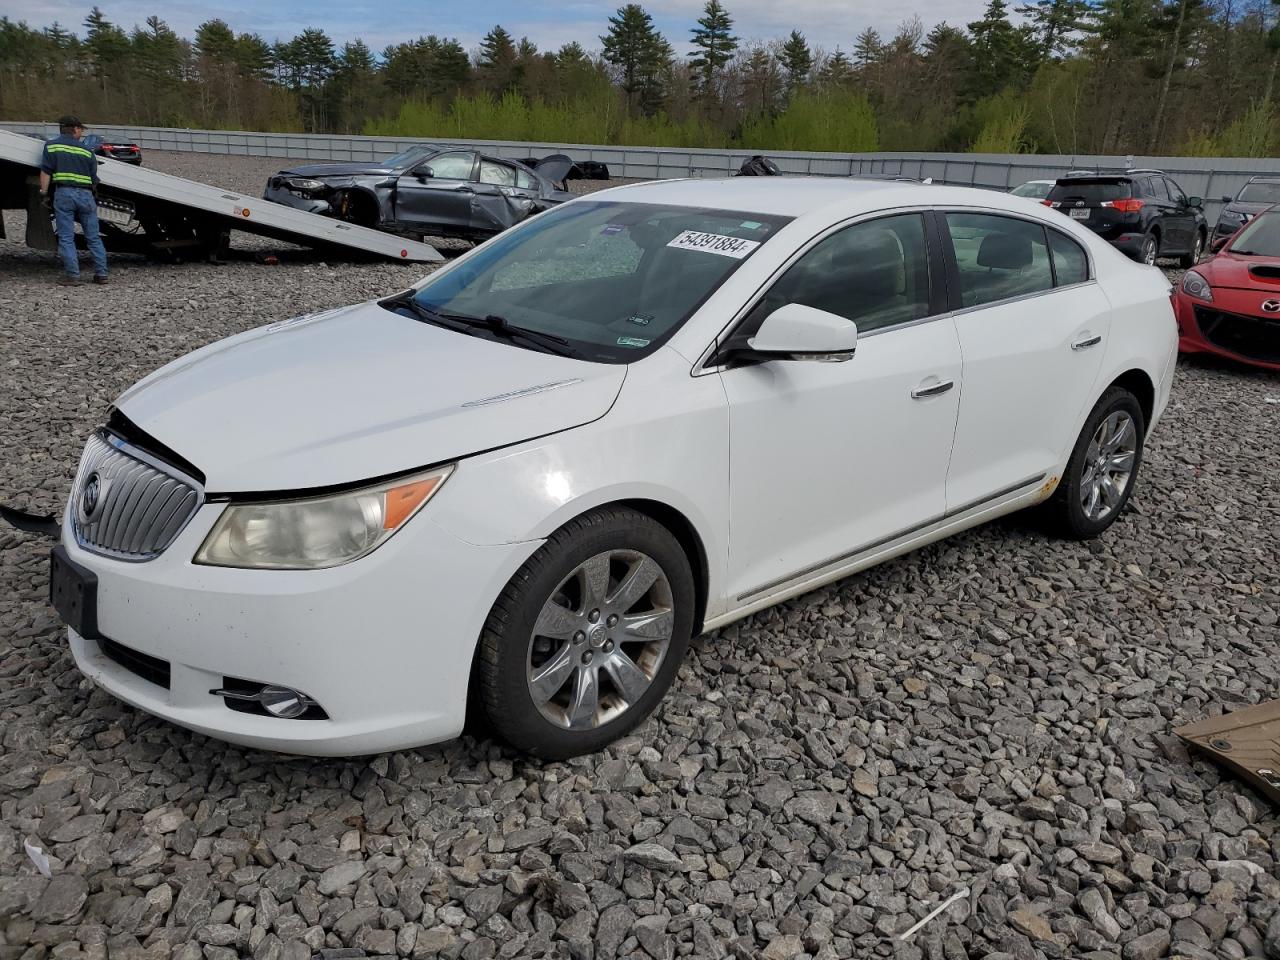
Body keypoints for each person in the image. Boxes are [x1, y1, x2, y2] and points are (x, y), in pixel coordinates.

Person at [38, 115, 108, 285]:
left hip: (64, 194)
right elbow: (94, 179)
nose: (81, 133)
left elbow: (46, 172)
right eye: (81, 130)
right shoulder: (87, 151)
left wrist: (44, 193)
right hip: (86, 196)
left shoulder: (52, 146)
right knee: (93, 237)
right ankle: (101, 275)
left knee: (66, 237)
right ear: (75, 129)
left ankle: (73, 276)